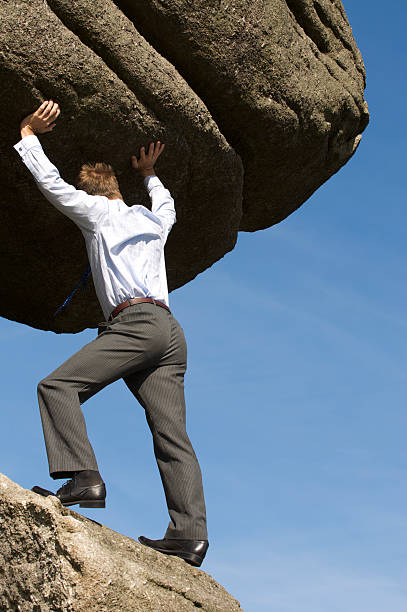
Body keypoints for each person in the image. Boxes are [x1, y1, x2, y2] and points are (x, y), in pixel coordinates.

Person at [14, 100, 208, 568]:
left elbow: (52, 185)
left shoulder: (97, 213)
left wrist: (28, 135)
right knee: (173, 436)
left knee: (56, 386)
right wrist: (150, 174)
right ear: (118, 188)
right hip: (170, 331)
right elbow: (168, 207)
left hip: (135, 324)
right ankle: (190, 535)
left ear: (92, 194)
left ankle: (84, 476)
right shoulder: (151, 219)